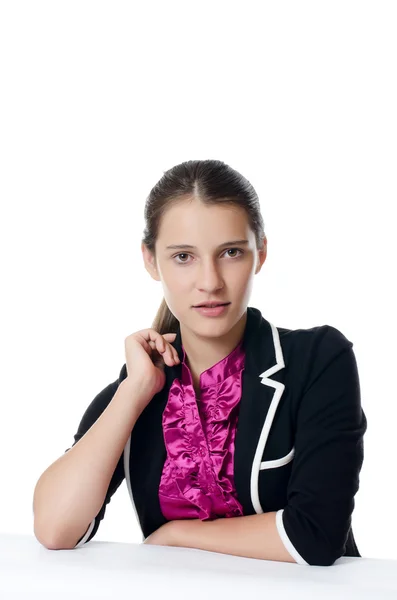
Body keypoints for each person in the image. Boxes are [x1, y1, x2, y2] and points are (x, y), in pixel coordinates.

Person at [33, 159, 367, 566]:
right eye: (183, 257)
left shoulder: (317, 361)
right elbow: (55, 528)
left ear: (260, 253)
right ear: (151, 260)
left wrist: (177, 534)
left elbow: (316, 536)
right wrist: (134, 391)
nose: (210, 282)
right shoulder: (141, 387)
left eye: (230, 252)